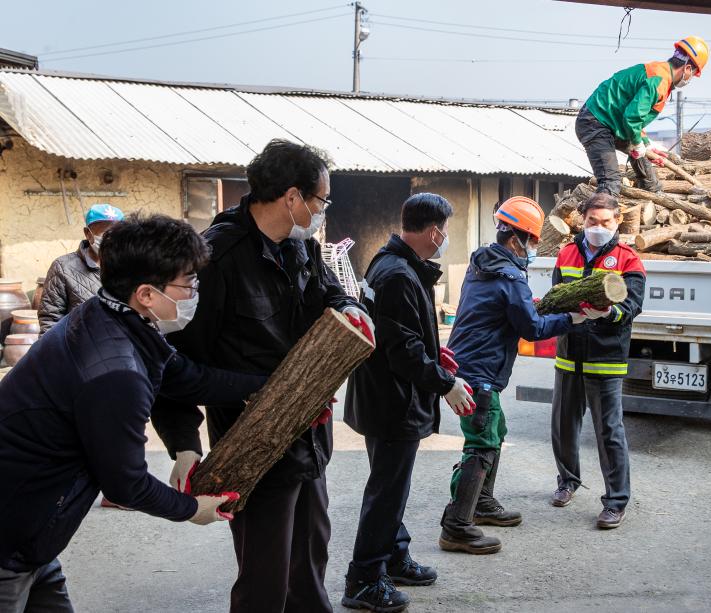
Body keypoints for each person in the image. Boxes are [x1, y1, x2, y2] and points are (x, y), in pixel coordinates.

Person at [0, 214, 267, 612]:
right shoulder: (116, 372)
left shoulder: (109, 317)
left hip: (35, 537)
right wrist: (194, 509)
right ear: (146, 293)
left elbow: (186, 376)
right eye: (188, 283)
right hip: (12, 539)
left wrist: (261, 385)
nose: (195, 291)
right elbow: (126, 483)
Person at [151, 139, 374, 613]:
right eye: (321, 200)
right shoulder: (216, 261)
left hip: (308, 441)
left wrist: (352, 309)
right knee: (265, 577)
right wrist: (185, 444)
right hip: (253, 443)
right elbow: (174, 362)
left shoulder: (300, 248)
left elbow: (331, 295)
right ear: (292, 197)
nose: (322, 210)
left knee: (310, 561)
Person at [438, 196, 606, 555]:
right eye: (531, 241)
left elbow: (514, 310)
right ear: (515, 238)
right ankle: (456, 526)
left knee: (495, 432)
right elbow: (530, 327)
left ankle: (481, 504)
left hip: (472, 365)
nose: (533, 248)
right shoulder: (509, 276)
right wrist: (573, 319)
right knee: (482, 442)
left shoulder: (484, 264)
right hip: (479, 372)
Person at [342, 193, 474, 612]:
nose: (446, 238)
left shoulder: (389, 263)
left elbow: (404, 334)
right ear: (434, 231)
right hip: (393, 401)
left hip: (381, 396)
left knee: (390, 486)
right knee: (387, 492)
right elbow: (403, 350)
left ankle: (393, 556)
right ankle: (363, 579)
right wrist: (445, 383)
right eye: (446, 231)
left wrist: (438, 353)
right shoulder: (398, 274)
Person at [549, 192, 646, 530]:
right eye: (593, 221)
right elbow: (558, 298)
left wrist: (608, 312)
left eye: (606, 222)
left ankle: (616, 501)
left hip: (605, 358)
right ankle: (567, 481)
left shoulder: (627, 258)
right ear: (582, 220)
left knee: (609, 432)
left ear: (617, 221)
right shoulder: (566, 253)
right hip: (569, 355)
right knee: (563, 425)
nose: (598, 227)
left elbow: (632, 306)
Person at [576, 36, 710, 196]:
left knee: (649, 177)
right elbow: (632, 118)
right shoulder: (659, 81)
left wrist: (646, 144)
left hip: (614, 123)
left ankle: (654, 194)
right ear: (688, 68)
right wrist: (638, 144)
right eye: (693, 74)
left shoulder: (660, 73)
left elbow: (634, 120)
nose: (690, 79)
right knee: (610, 182)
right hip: (596, 122)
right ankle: (601, 216)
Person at [38, 203, 125, 334]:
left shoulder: (129, 266)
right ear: (88, 234)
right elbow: (50, 320)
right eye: (104, 233)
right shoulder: (63, 267)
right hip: (81, 350)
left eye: (117, 233)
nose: (111, 239)